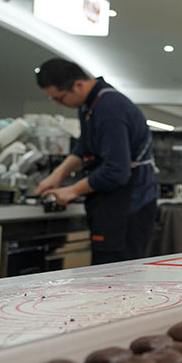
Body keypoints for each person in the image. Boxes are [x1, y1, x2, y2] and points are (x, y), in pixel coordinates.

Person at [34, 58, 158, 265]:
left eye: (60, 98)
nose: (59, 104)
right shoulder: (88, 106)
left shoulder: (109, 109)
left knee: (117, 281)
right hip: (112, 203)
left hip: (129, 205)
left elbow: (116, 170)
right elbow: (84, 148)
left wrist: (71, 191)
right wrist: (57, 175)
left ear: (78, 85)